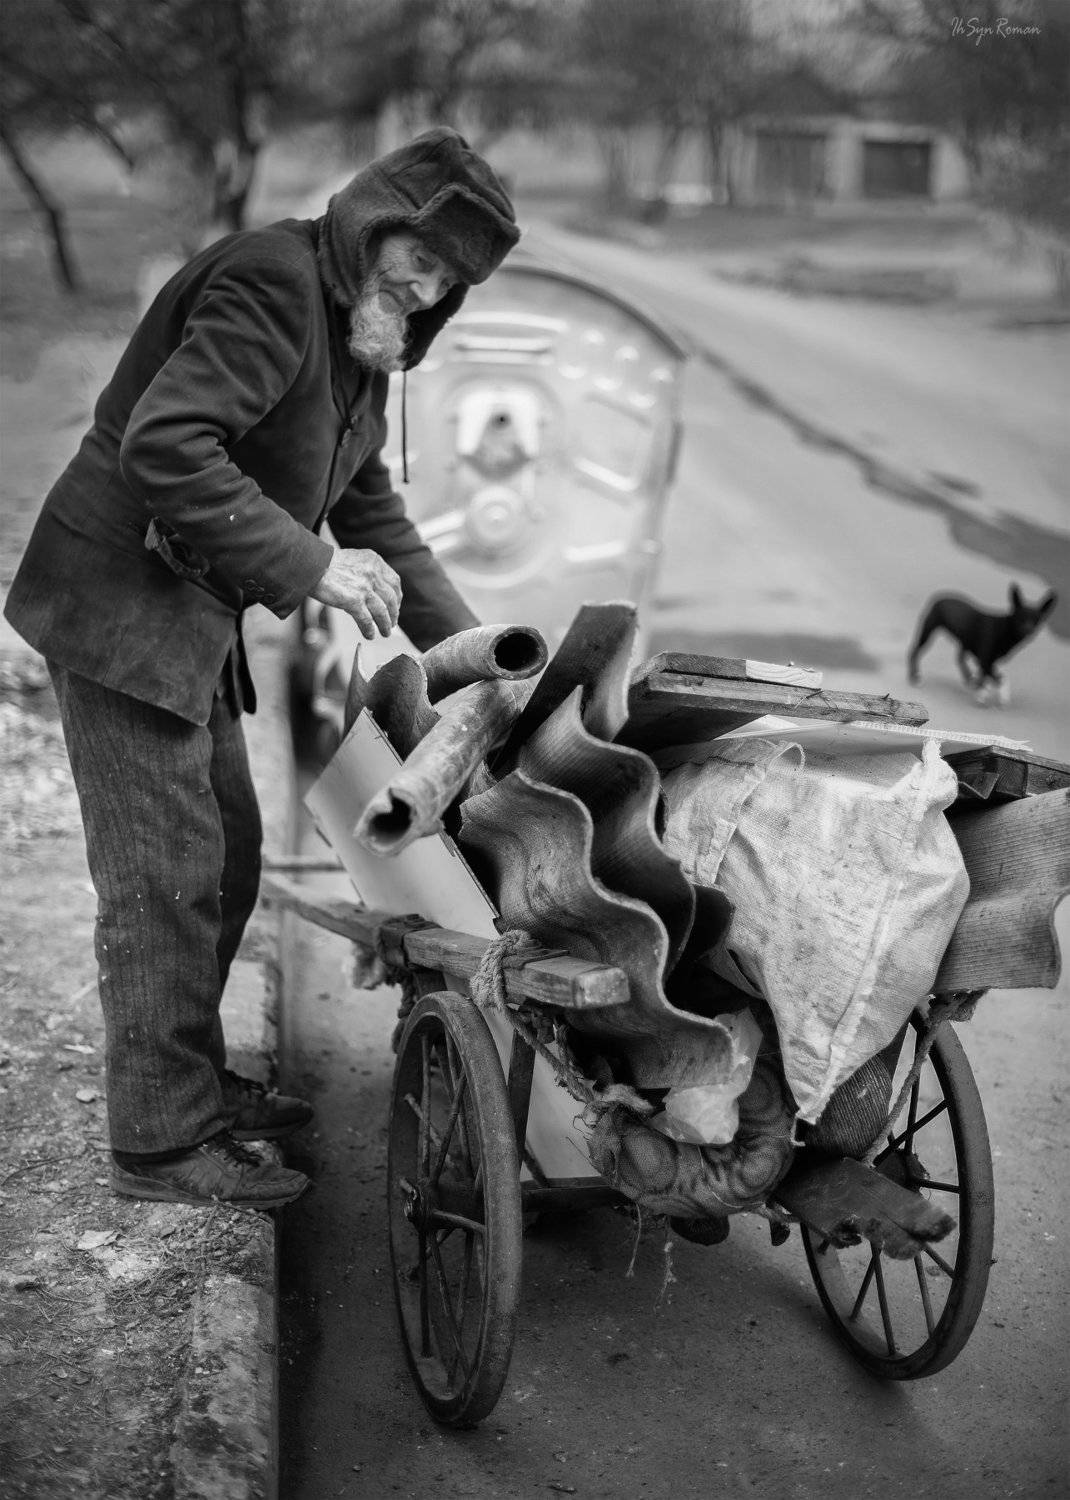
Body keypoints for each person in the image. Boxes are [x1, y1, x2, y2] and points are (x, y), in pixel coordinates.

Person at [3, 127, 520, 1209]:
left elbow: (372, 510)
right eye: (417, 256)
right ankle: (159, 1145)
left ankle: (192, 1086)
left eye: (447, 280)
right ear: (372, 221)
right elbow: (165, 444)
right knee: (166, 879)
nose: (423, 288)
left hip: (187, 618)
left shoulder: (361, 336)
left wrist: (486, 665)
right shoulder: (274, 285)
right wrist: (312, 565)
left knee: (229, 855)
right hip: (117, 607)